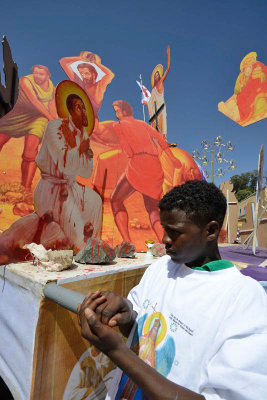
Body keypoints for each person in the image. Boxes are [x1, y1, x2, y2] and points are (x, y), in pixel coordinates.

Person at [77, 180, 267, 400]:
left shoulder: (244, 299)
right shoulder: (162, 267)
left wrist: (115, 351)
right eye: (164, 229)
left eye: (174, 232)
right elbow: (144, 332)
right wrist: (128, 314)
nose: (164, 240)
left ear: (211, 230)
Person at [33, 93, 102, 251]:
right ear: (70, 110)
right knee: (76, 239)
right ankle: (82, 249)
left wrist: (84, 152)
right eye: (79, 107)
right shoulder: (55, 127)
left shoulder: (83, 135)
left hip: (70, 188)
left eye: (84, 108)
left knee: (96, 200)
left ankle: (91, 246)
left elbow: (86, 172)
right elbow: (63, 163)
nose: (83, 111)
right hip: (51, 189)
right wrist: (80, 150)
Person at [110, 100, 180, 243]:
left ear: (123, 111)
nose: (116, 115)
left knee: (115, 200)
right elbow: (160, 139)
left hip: (139, 163)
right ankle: (163, 244)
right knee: (153, 209)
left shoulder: (119, 126)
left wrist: (130, 153)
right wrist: (172, 158)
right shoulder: (143, 124)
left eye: (117, 111)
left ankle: (127, 243)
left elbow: (127, 151)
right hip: (154, 165)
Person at [0, 65, 57, 189]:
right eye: (35, 73)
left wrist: (55, 122)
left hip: (38, 118)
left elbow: (51, 107)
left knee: (30, 153)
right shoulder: (25, 81)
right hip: (18, 115)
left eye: (41, 74)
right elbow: (35, 102)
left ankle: (25, 188)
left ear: (48, 76)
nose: (37, 76)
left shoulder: (51, 88)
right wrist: (50, 117)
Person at [59, 51, 114, 121]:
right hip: (75, 119)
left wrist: (95, 63)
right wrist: (81, 59)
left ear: (94, 74)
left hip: (92, 121)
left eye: (86, 74)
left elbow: (110, 74)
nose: (83, 76)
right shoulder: (79, 82)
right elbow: (63, 62)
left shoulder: (99, 85)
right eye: (81, 74)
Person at [145, 46, 170, 138]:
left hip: (161, 107)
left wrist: (168, 55)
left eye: (157, 74)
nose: (156, 76)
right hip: (156, 110)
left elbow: (167, 69)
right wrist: (146, 103)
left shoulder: (161, 83)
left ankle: (164, 140)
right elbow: (151, 101)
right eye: (155, 75)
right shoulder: (153, 89)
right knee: (155, 126)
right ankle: (156, 141)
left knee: (163, 125)